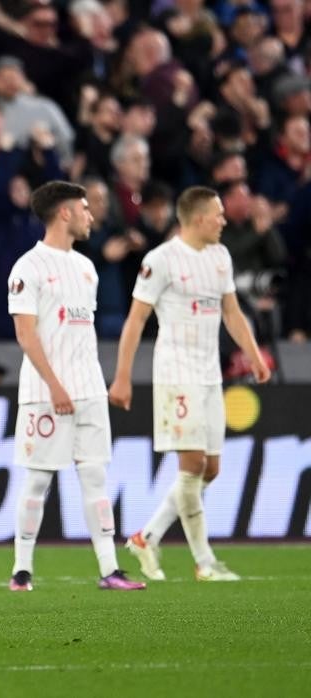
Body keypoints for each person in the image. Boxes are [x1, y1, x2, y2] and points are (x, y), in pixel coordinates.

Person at [109, 186, 272, 582]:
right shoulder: (161, 260)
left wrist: (253, 353)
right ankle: (204, 561)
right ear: (198, 218)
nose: (224, 220)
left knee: (209, 470)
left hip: (209, 375)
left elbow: (231, 312)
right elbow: (136, 320)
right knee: (192, 464)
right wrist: (123, 376)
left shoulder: (220, 256)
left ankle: (146, 537)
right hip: (176, 374)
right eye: (218, 214)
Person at [5, 181, 146, 593]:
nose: (91, 215)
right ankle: (21, 570)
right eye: (84, 208)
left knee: (96, 478)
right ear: (64, 213)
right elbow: (26, 335)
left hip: (89, 390)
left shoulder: (87, 269)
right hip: (45, 394)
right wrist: (55, 385)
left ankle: (109, 569)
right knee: (37, 481)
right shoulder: (28, 268)